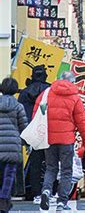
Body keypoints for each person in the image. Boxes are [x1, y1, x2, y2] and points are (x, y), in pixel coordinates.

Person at [35, 71, 85, 212]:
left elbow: (36, 114)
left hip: (49, 138)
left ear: (59, 79)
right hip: (67, 140)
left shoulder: (47, 93)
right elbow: (82, 122)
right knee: (66, 171)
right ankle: (61, 203)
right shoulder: (75, 97)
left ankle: (46, 191)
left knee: (51, 168)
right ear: (72, 82)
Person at [18, 65, 50, 202]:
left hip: (31, 131)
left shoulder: (24, 93)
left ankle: (34, 192)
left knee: (35, 163)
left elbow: (21, 114)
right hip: (47, 130)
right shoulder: (50, 91)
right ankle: (49, 190)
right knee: (51, 163)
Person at [0, 78, 28, 213]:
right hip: (12, 146)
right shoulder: (18, 106)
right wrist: (27, 143)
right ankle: (4, 201)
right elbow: (24, 127)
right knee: (9, 175)